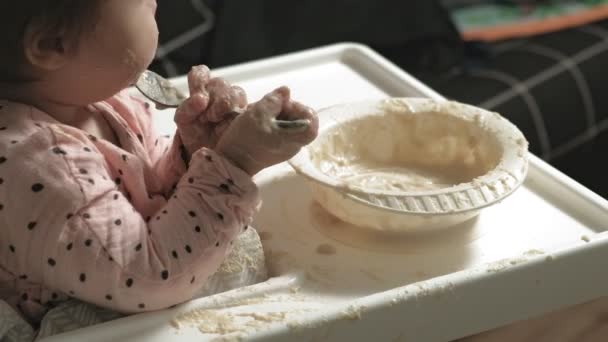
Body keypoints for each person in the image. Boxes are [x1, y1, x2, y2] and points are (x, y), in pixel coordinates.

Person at [0, 0, 318, 324]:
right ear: (53, 44)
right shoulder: (44, 171)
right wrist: (236, 161)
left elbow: (145, 200)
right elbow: (152, 277)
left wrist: (196, 152)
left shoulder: (94, 96)